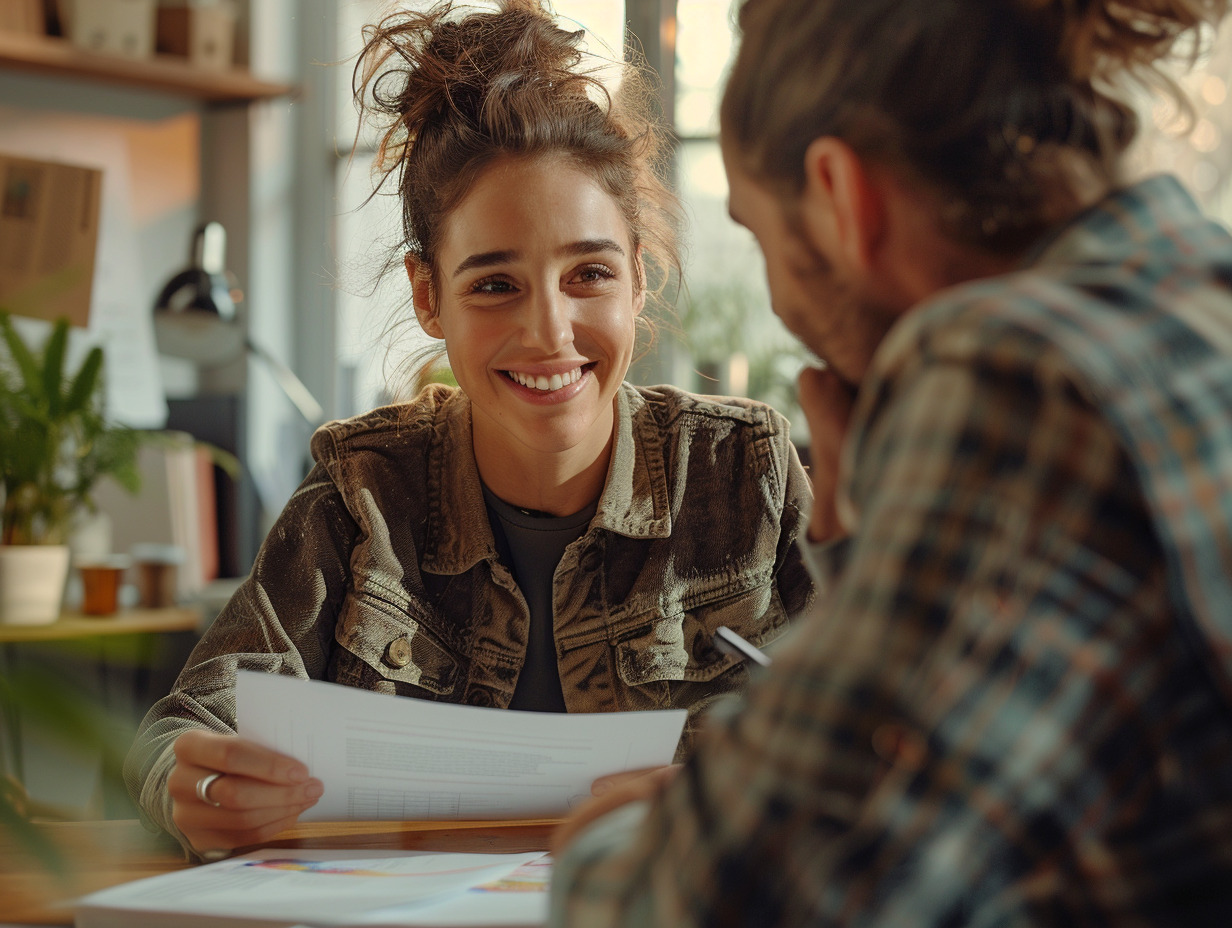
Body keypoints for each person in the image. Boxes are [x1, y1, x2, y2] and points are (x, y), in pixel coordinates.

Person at [549, 0, 1232, 923]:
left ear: (842, 196)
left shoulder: (1020, 377)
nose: (781, 304)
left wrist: (608, 842)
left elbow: (717, 904)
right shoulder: (1195, 301)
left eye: (756, 233)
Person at [123, 0, 813, 860]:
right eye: (494, 285)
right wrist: (201, 786)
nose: (551, 333)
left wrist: (744, 792)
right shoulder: (362, 492)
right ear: (427, 297)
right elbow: (189, 722)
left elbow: (885, 739)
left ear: (638, 279)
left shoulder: (745, 472)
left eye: (589, 273)